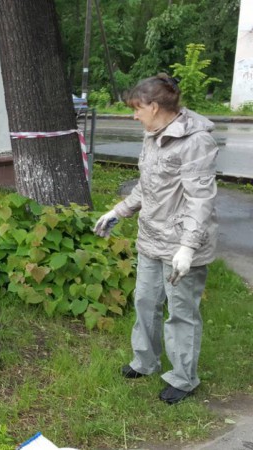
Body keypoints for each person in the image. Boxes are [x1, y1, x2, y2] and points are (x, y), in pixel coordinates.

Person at [93, 73, 218, 405]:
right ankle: (145, 361)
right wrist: (118, 211)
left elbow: (200, 200)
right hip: (151, 238)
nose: (134, 116)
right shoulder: (152, 135)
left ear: (154, 106)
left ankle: (184, 378)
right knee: (145, 302)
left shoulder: (195, 141)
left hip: (181, 245)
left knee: (181, 312)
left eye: (137, 108)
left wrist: (188, 247)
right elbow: (147, 186)